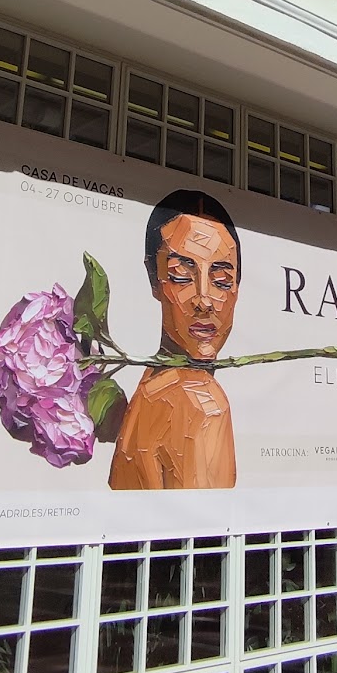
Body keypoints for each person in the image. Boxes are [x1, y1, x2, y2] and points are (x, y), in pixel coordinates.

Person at [109, 190, 241, 490]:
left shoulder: (152, 386)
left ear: (237, 287)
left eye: (221, 280)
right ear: (154, 279)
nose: (204, 300)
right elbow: (208, 519)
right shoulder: (201, 400)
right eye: (181, 274)